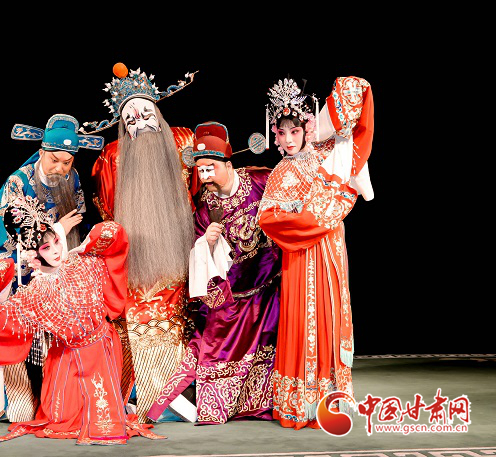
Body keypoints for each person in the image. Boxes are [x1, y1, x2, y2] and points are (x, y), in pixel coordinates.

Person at [0, 195, 164, 445]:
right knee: (62, 419)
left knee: (102, 416)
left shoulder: (83, 263)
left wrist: (86, 244)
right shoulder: (32, 294)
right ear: (34, 256)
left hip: (102, 349)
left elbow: (113, 232)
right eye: (46, 248)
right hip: (67, 358)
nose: (56, 250)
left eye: (56, 242)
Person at [257, 76, 374, 429]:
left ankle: (330, 396)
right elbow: (268, 219)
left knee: (330, 314)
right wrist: (313, 219)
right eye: (282, 133)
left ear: (309, 127)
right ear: (275, 134)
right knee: (302, 318)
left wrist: (313, 217)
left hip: (329, 251)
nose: (289, 140)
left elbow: (357, 97)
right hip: (300, 255)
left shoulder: (330, 153)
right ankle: (301, 401)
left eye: (295, 131)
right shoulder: (280, 172)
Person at [85, 63, 200, 422]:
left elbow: (198, 190)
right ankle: (144, 399)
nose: (141, 124)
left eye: (147, 115)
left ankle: (177, 399)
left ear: (159, 114)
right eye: (131, 120)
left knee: (182, 324)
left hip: (177, 250)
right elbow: (108, 210)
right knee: (132, 328)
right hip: (135, 259)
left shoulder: (183, 141)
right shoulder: (111, 156)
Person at [147, 122, 282, 424]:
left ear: (228, 164)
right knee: (212, 348)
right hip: (234, 297)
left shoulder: (261, 180)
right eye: (201, 170)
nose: (206, 176)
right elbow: (198, 257)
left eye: (211, 168)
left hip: (271, 288)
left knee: (271, 350)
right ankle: (179, 403)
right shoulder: (206, 208)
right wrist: (206, 244)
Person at [0, 113, 104, 423]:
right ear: (41, 153)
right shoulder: (18, 182)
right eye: (54, 160)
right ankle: (20, 400)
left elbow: (80, 222)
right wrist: (58, 230)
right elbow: (13, 233)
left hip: (55, 268)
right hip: (19, 271)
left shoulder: (72, 179)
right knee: (19, 339)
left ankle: (58, 398)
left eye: (67, 162)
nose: (60, 168)